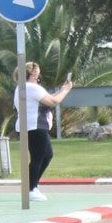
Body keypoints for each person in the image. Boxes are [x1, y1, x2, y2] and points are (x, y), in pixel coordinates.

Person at [15, 62, 74, 201]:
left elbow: (48, 98)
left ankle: (32, 186)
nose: (39, 76)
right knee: (38, 157)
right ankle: (29, 189)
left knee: (47, 155)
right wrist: (66, 91)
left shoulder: (24, 87)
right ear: (32, 74)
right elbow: (53, 102)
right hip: (35, 126)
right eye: (37, 73)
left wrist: (62, 89)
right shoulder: (32, 87)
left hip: (31, 126)